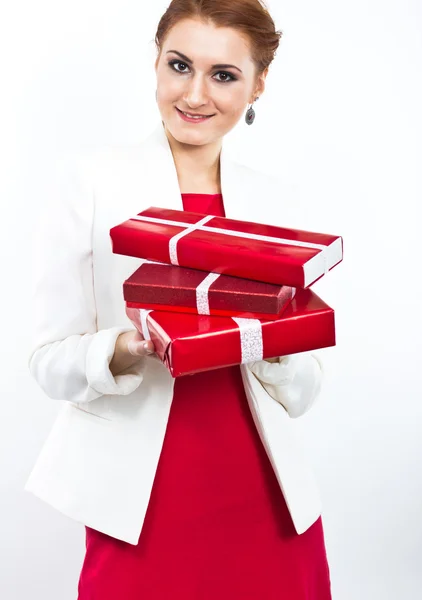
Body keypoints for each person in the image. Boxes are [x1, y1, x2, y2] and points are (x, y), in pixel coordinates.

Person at [25, 1, 332, 598]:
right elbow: (48, 362)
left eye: (223, 75)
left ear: (258, 84)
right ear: (157, 62)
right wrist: (125, 346)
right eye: (179, 65)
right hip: (140, 494)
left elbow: (307, 387)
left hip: (263, 488)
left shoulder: (277, 205)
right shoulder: (90, 182)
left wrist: (270, 341)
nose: (194, 94)